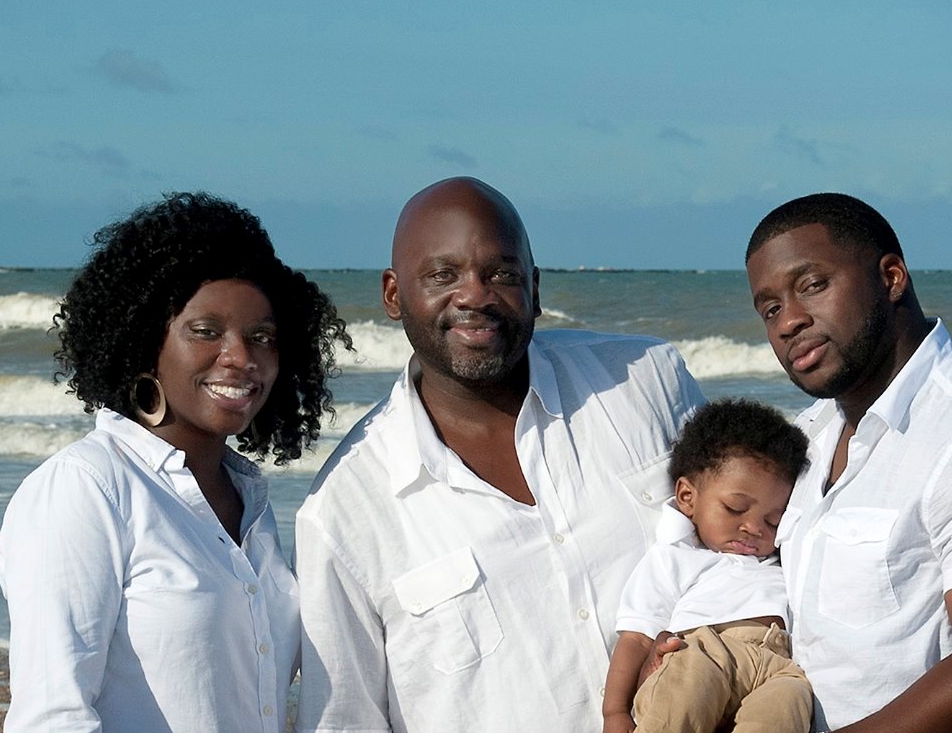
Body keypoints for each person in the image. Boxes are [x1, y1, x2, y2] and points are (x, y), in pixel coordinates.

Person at [294, 177, 706, 733]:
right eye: (442, 275)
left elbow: (753, 539)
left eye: (502, 274)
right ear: (393, 295)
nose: (475, 296)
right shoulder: (344, 510)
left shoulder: (645, 382)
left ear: (534, 286)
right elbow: (345, 720)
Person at [719, 192, 952, 733]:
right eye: (769, 309)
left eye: (812, 285)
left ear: (891, 278)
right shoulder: (807, 436)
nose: (788, 321)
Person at [0, 192, 350, 733]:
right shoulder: (88, 488)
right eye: (206, 332)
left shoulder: (247, 500)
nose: (242, 357)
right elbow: (52, 717)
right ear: (145, 339)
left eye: (262, 337)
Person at [603, 398, 813, 733]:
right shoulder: (675, 555)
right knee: (683, 695)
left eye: (773, 520)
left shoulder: (782, 558)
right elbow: (637, 638)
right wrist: (615, 712)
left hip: (776, 663)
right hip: (704, 649)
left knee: (791, 698)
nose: (754, 528)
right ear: (688, 498)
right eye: (735, 508)